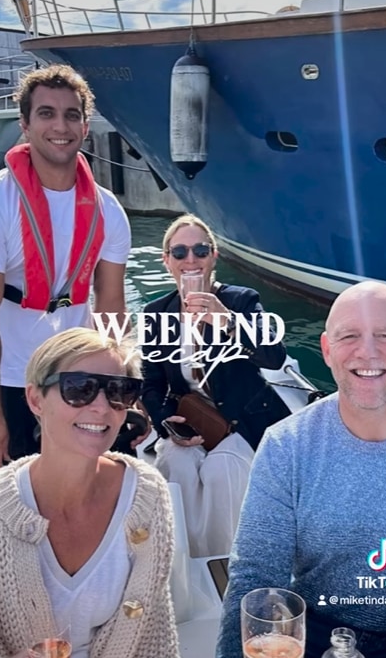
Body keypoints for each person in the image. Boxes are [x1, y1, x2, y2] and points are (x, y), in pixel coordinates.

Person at [216, 280, 386, 658]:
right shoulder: (286, 445)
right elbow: (255, 576)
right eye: (349, 336)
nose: (366, 351)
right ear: (326, 350)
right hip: (313, 636)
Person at [0, 327, 180, 658]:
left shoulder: (148, 494)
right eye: (79, 389)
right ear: (36, 399)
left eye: (119, 391)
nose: (100, 407)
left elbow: (155, 634)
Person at [0, 64, 132, 471]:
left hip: (79, 375)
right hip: (12, 376)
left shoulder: (109, 212)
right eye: (46, 113)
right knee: (16, 496)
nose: (60, 125)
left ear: (85, 126)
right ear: (25, 124)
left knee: (90, 484)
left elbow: (111, 306)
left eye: (71, 114)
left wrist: (123, 391)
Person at [140, 214, 290, 557]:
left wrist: (224, 320)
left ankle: (225, 562)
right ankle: (185, 559)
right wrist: (166, 422)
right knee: (177, 465)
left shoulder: (241, 301)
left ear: (214, 255)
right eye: (179, 253)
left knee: (222, 471)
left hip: (240, 421)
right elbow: (150, 383)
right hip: (190, 419)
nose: (190, 260)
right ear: (166, 261)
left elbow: (273, 357)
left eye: (200, 250)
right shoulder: (156, 312)